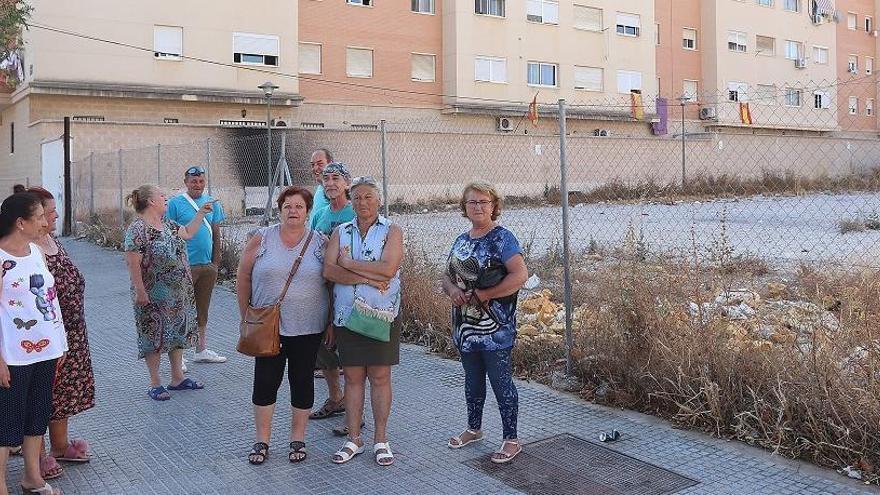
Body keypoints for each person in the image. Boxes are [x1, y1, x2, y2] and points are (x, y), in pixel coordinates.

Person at [236, 186, 328, 465]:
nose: (293, 211)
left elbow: (332, 282)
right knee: (265, 382)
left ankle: (297, 439)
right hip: (268, 327)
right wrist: (246, 315)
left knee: (302, 381)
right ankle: (262, 441)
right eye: (288, 206)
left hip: (308, 326)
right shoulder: (262, 237)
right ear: (280, 209)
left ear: (307, 211)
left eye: (299, 207)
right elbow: (243, 276)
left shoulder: (320, 242)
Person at [442, 181, 528, 464]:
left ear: (494, 206)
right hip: (465, 328)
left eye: (483, 202)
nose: (477, 207)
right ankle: (474, 428)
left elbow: (519, 276)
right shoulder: (462, 240)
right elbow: (446, 275)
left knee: (501, 382)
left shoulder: (503, 239)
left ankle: (511, 439)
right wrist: (453, 291)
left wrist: (487, 294)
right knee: (472, 379)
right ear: (464, 208)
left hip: (495, 329)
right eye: (472, 202)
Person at [324, 176, 403, 467]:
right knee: (354, 378)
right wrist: (367, 277)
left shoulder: (392, 231)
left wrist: (349, 264)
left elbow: (390, 268)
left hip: (381, 314)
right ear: (351, 200)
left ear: (378, 200)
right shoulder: (340, 232)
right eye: (357, 197)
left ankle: (380, 440)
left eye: (368, 197)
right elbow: (329, 272)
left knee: (380, 377)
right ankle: (353, 439)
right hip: (347, 315)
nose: (363, 203)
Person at [0, 192, 67, 495]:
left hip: (47, 348)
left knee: (37, 413)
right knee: (6, 420)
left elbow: (50, 301)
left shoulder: (36, 252)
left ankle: (31, 477)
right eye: (39, 216)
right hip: (13, 354)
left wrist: (60, 341)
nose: (45, 221)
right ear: (20, 222)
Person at [28, 187, 95, 479]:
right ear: (36, 216)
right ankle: (37, 454)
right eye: (50, 211)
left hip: (72, 333)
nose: (56, 215)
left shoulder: (52, 240)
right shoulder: (27, 249)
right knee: (42, 392)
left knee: (64, 392)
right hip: (44, 337)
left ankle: (59, 446)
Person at [123, 184, 209, 401]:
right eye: (162, 196)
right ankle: (155, 383)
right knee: (152, 335)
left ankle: (177, 378)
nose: (166, 198)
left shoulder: (168, 225)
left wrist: (201, 213)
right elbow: (133, 262)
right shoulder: (138, 229)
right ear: (151, 201)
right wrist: (140, 291)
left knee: (177, 332)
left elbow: (188, 232)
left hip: (178, 293)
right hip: (152, 294)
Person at [308, 163, 356, 432]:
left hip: (348, 289)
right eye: (326, 179)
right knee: (323, 348)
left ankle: (353, 406)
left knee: (349, 349)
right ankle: (335, 398)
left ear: (347, 183)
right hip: (322, 288)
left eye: (336, 178)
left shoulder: (355, 212)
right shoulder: (321, 213)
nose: (330, 183)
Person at [166, 166, 227, 364]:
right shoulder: (175, 204)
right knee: (181, 309)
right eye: (193, 181)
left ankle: (201, 349)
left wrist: (216, 262)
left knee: (202, 309)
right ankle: (179, 355)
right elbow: (169, 233)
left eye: (201, 181)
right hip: (184, 265)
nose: (198, 185)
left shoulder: (212, 203)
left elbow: (216, 232)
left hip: (207, 264)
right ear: (186, 182)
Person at [307, 148, 332, 226]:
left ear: (330, 164)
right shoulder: (320, 187)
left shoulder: (334, 190)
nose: (315, 168)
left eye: (320, 164)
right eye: (312, 165)